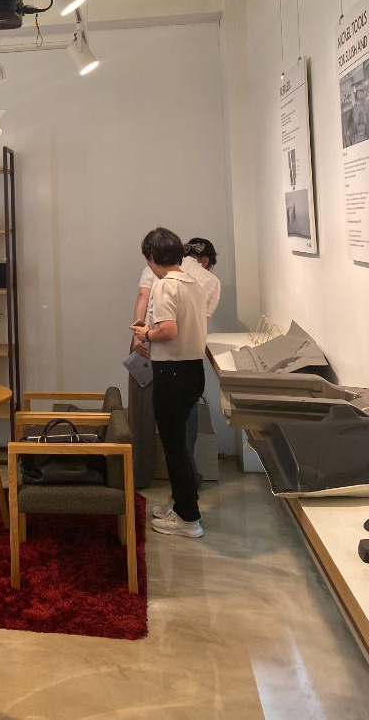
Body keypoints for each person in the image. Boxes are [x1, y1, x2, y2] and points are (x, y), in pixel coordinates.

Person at [131, 227, 208, 538]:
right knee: (180, 445)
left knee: (174, 447)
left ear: (151, 258)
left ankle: (188, 519)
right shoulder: (194, 282)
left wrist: (145, 333)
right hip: (193, 371)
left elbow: (168, 330)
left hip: (172, 373)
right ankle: (181, 504)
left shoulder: (164, 285)